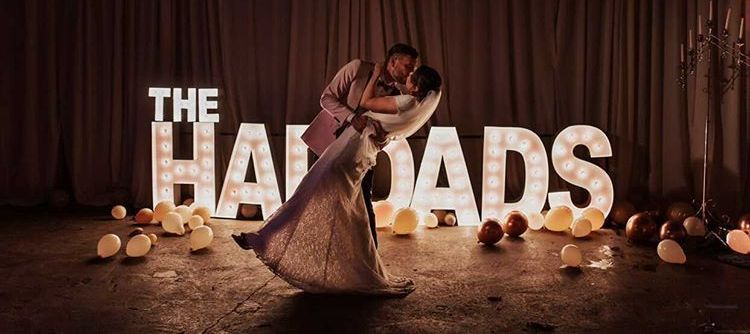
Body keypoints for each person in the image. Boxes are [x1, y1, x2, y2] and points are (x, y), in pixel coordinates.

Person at [233, 63, 442, 296]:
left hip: (351, 150)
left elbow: (366, 103)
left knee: (311, 196)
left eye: (413, 74)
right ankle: (359, 268)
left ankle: (265, 240)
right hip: (356, 149)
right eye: (408, 67)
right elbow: (363, 115)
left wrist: (373, 76)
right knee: (352, 213)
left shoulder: (405, 102)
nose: (409, 74)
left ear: (417, 87)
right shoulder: (410, 103)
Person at [301, 43, 419, 248]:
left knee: (364, 203)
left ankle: (371, 256)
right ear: (393, 62)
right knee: (320, 202)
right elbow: (326, 98)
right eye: (408, 66)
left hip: (361, 155)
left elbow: (385, 132)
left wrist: (380, 137)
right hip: (330, 146)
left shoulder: (398, 96)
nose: (412, 72)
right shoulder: (357, 68)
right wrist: (350, 117)